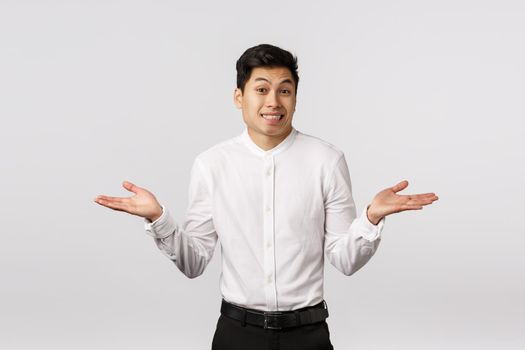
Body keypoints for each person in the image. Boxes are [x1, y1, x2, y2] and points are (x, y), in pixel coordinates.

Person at [94, 43, 439, 350]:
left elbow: (345, 260)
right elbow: (194, 262)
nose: (273, 101)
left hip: (308, 334)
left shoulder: (327, 161)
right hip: (236, 334)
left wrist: (371, 218)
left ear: (295, 98)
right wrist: (159, 219)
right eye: (261, 89)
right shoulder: (212, 164)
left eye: (284, 91)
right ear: (239, 97)